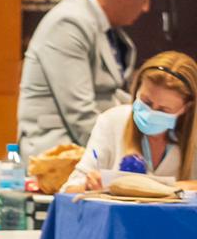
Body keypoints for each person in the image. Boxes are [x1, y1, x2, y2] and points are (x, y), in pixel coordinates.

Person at [19, 0, 158, 159]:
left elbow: (110, 94)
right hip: (57, 155)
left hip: (87, 148)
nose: (146, 8)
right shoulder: (69, 24)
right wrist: (127, 153)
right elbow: (79, 115)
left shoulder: (100, 24)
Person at [64, 51, 197, 191]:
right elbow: (68, 190)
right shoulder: (112, 121)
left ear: (186, 108)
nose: (150, 113)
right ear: (137, 90)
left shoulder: (193, 136)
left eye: (163, 110)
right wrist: (88, 185)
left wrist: (166, 188)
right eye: (146, 102)